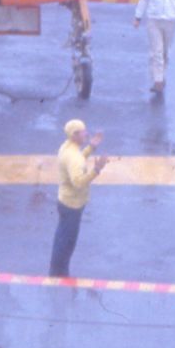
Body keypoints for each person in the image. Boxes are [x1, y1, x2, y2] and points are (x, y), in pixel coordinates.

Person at [50, 118, 108, 278]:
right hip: (73, 204)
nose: (86, 133)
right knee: (67, 242)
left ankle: (57, 270)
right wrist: (96, 170)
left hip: (65, 200)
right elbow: (78, 182)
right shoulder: (73, 157)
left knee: (62, 237)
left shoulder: (67, 147)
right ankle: (59, 274)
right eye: (83, 131)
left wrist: (91, 147)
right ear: (75, 135)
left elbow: (78, 158)